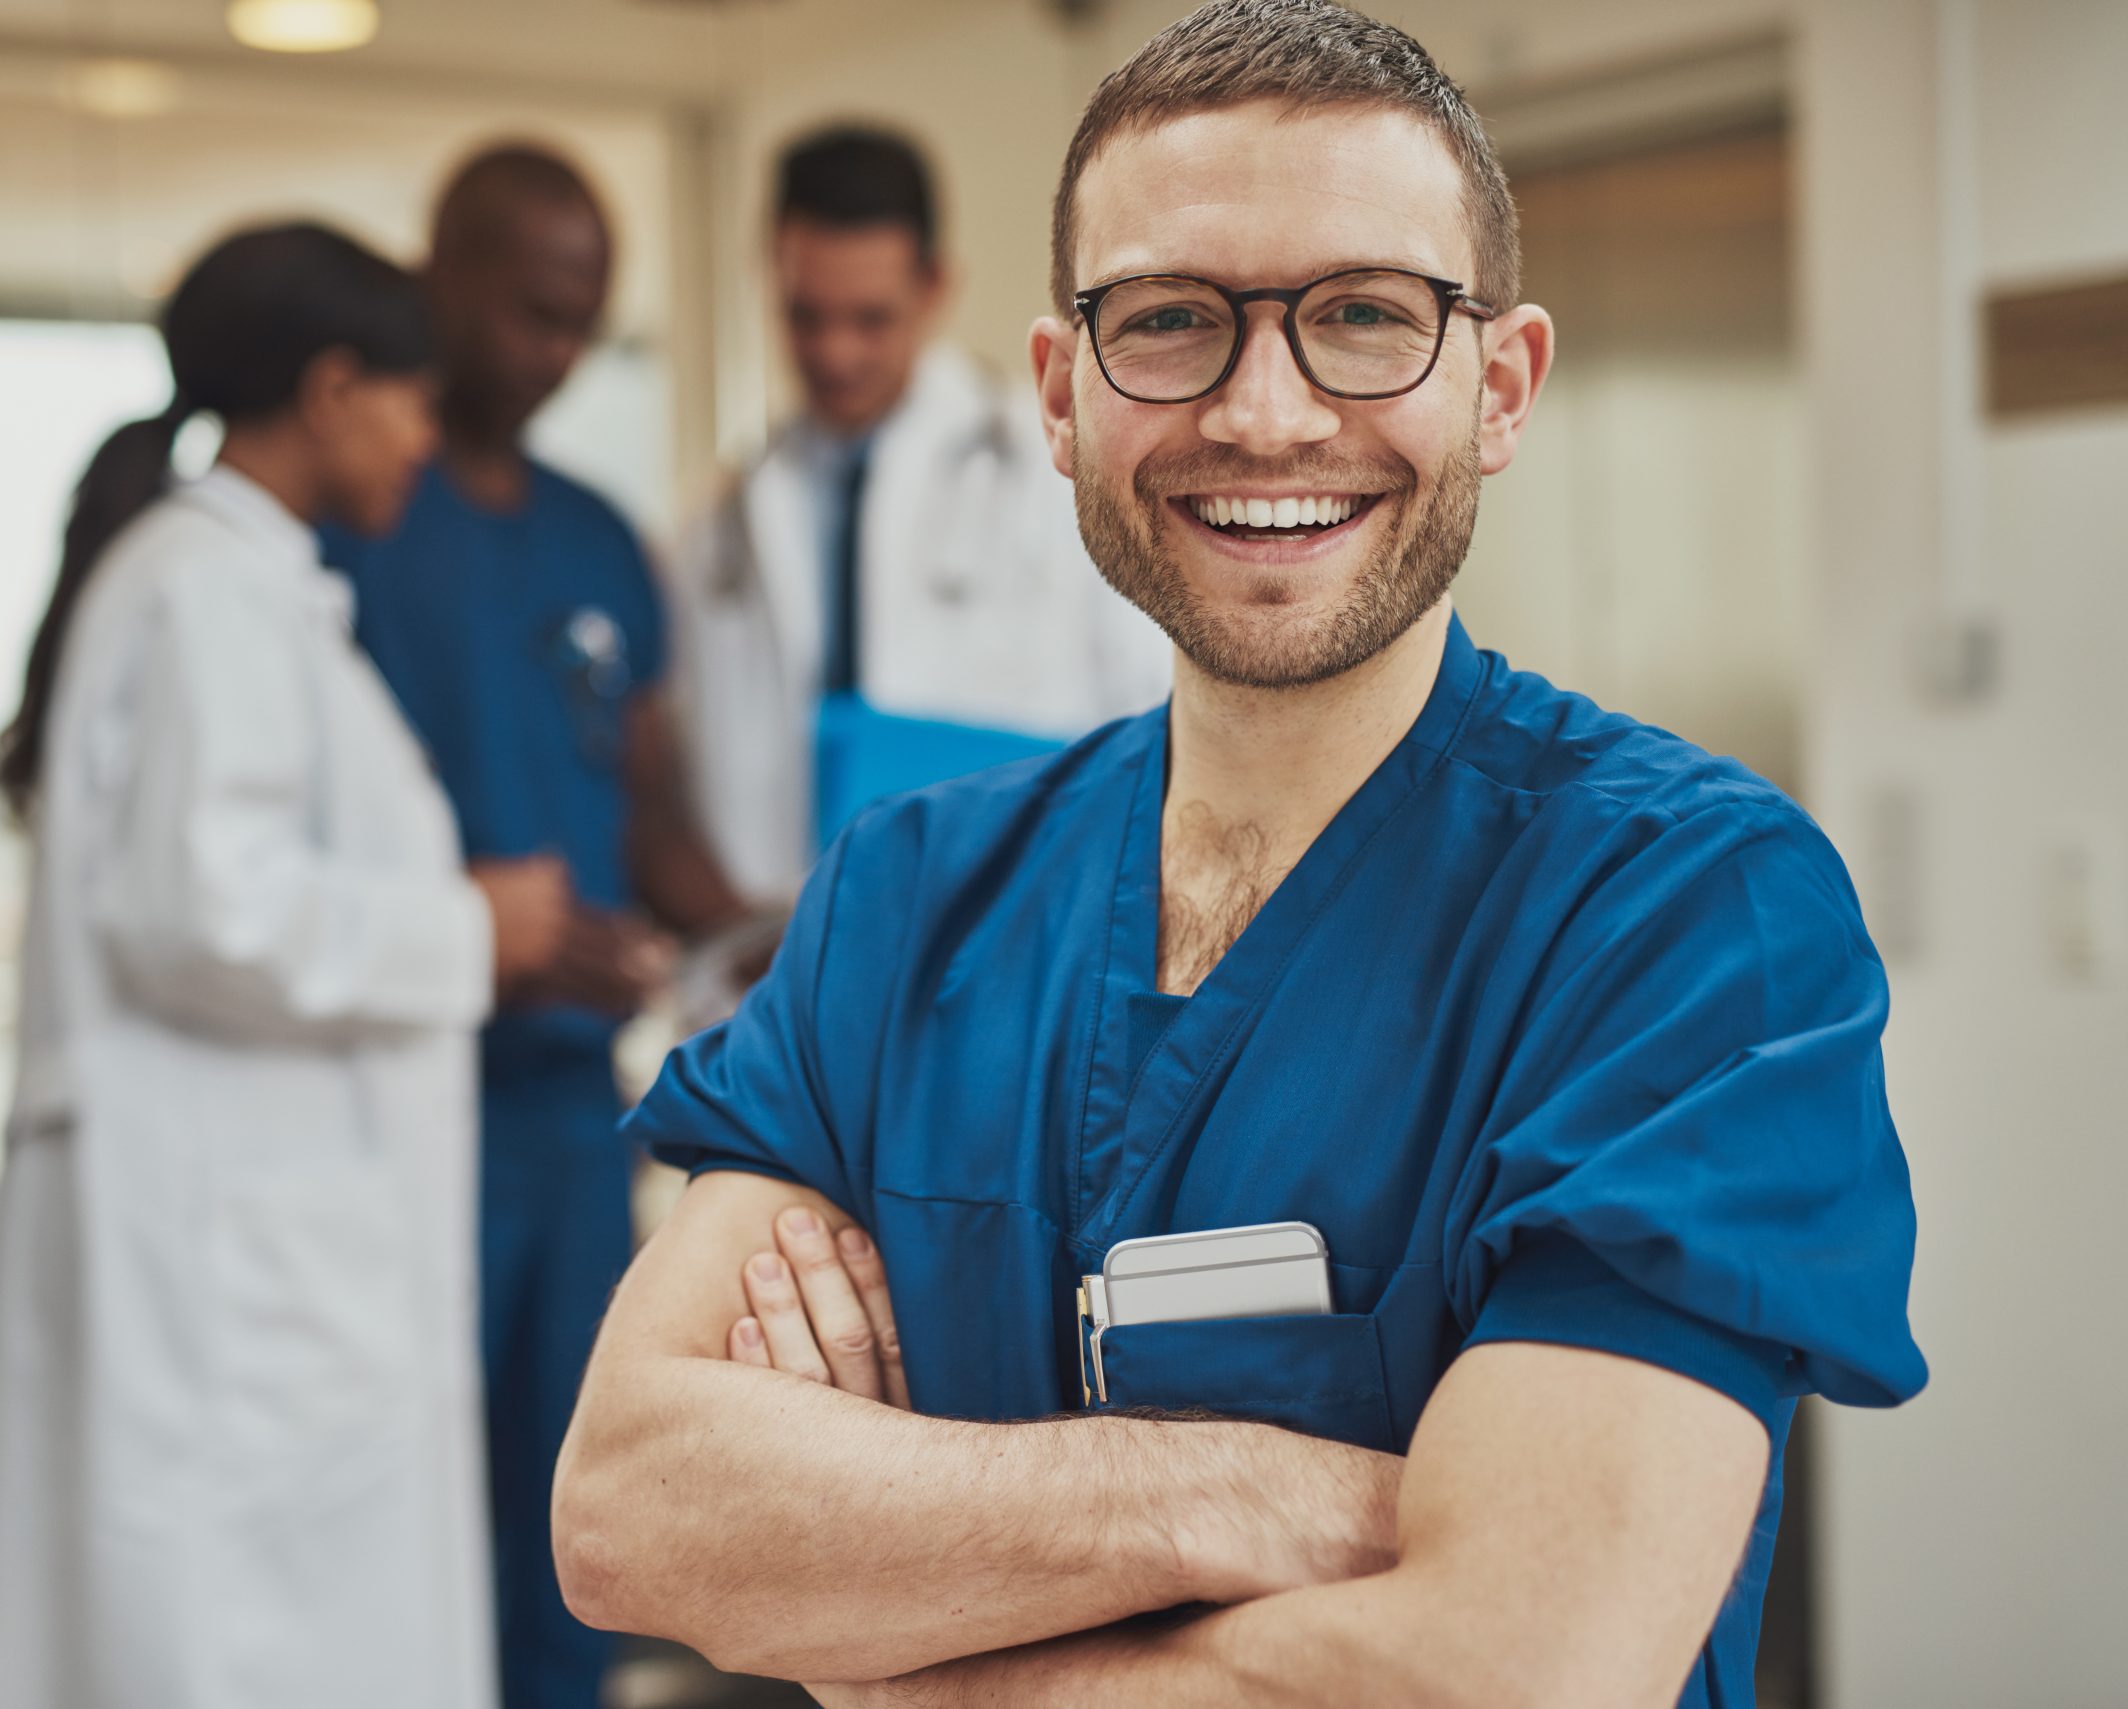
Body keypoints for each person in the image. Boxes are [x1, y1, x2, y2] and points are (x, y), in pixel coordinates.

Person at [552, 5, 1929, 1707]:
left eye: (1365, 314)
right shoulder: (904, 898)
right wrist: (1249, 1488)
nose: (1265, 413)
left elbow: (1517, 1665)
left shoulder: (1687, 917)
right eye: (1172, 322)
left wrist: (899, 1642)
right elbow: (630, 1507)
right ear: (1062, 393)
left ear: (1499, 386)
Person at [0, 221, 568, 1709]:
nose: (427, 436)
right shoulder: (208, 592)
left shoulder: (241, 585)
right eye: (412, 399)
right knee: (221, 1640)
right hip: (221, 1255)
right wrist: (476, 928)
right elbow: (204, 907)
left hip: (244, 1239)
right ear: (335, 387)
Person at [320, 146, 753, 1709]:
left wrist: (771, 936)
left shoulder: (598, 543)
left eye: (584, 322)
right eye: (528, 312)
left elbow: (652, 818)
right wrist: (473, 934)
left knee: (564, 1522)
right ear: (441, 272)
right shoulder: (355, 510)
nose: (556, 353)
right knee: (390, 1518)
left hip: (574, 1116)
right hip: (389, 1111)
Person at [676, 124, 1168, 904]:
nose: (836, 353)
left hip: (1012, 927)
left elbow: (1155, 719)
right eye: (807, 316)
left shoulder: (1052, 470)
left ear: (935, 287)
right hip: (784, 955)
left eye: (870, 319)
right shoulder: (726, 519)